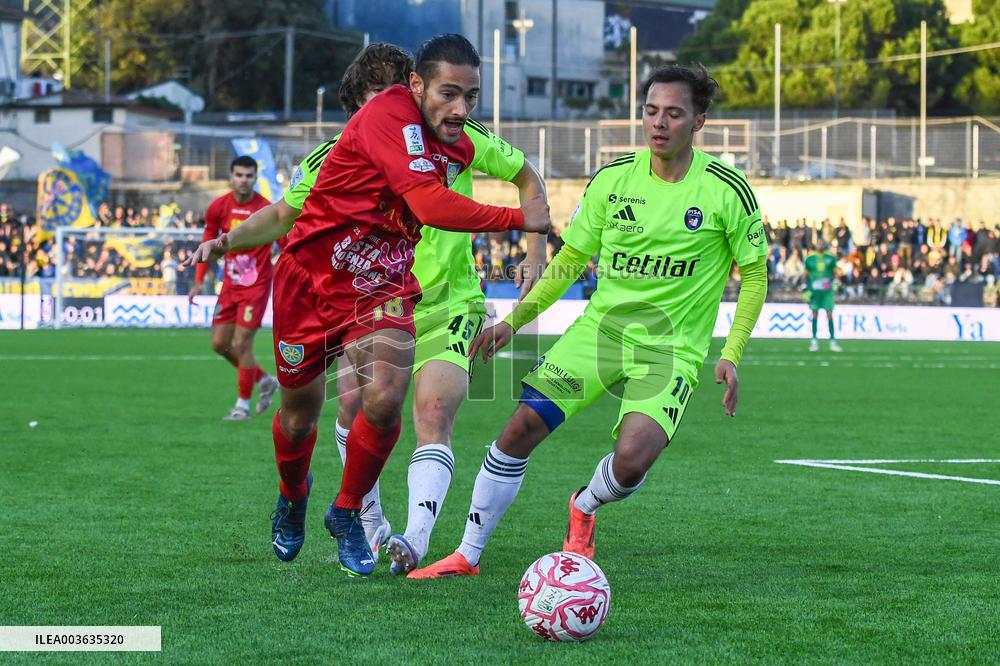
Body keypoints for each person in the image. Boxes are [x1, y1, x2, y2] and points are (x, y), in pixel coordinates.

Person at [190, 34, 550, 577]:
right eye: (373, 101)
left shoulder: (453, 135)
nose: (390, 115)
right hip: (310, 287)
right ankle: (295, 495)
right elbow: (284, 216)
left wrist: (535, 249)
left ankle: (355, 516)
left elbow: (524, 174)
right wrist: (229, 239)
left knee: (391, 399)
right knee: (299, 416)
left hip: (391, 289)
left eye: (466, 97)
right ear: (362, 106)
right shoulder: (335, 152)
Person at [410, 63, 769, 579]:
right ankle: (467, 553)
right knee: (520, 428)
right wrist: (514, 322)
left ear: (700, 121)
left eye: (673, 113)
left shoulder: (726, 191)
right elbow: (569, 264)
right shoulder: (612, 181)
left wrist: (730, 354)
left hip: (670, 350)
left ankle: (584, 506)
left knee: (631, 462)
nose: (659, 123)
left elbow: (754, 277)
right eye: (650, 112)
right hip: (600, 333)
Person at [188, 156, 279, 420]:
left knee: (241, 344)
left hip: (256, 287)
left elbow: (285, 244)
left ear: (255, 177)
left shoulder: (265, 209)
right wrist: (198, 281)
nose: (244, 180)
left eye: (249, 176)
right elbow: (208, 241)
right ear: (231, 176)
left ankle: (242, 406)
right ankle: (264, 379)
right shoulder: (219, 207)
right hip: (229, 286)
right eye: (239, 175)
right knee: (219, 344)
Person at [804, 240, 842, 352]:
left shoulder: (831, 258)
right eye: (818, 243)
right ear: (816, 245)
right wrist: (805, 288)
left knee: (829, 314)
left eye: (822, 243)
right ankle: (814, 340)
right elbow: (805, 275)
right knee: (814, 315)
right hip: (814, 291)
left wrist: (835, 281)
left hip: (827, 291)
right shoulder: (809, 259)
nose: (820, 245)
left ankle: (832, 341)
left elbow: (835, 273)